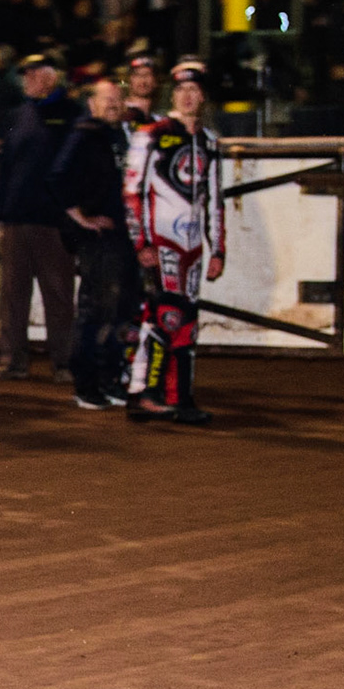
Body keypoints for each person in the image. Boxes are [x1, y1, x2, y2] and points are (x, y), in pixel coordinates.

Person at [123, 59, 222, 424]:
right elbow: (131, 194)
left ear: (203, 96)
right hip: (160, 241)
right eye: (181, 90)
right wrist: (141, 243)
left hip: (193, 248)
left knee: (187, 322)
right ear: (172, 94)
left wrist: (218, 248)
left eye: (194, 90)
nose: (187, 96)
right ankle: (142, 393)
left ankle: (180, 397)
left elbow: (214, 197)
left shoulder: (209, 141)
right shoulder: (150, 133)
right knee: (163, 315)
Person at [0, 52, 80, 379]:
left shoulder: (72, 114)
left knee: (58, 294)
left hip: (54, 220)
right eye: (25, 74)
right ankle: (12, 360)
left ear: (52, 76)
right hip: (16, 218)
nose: (28, 79)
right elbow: (3, 167)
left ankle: (65, 361)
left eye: (34, 74)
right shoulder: (17, 115)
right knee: (13, 294)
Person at [49, 78, 139, 408]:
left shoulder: (117, 135)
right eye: (107, 99)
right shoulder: (84, 134)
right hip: (99, 239)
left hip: (120, 237)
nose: (113, 104)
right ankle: (86, 384)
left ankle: (108, 379)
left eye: (117, 99)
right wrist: (82, 218)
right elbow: (57, 177)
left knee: (119, 310)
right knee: (97, 310)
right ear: (92, 103)